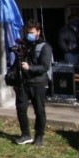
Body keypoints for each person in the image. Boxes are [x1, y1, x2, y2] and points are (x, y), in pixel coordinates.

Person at [12, 19, 53, 147]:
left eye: (32, 32)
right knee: (21, 108)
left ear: (38, 32)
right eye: (28, 31)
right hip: (23, 82)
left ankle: (39, 136)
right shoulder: (24, 45)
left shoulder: (45, 47)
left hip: (38, 83)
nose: (29, 34)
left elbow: (45, 66)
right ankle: (25, 135)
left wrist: (30, 68)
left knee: (39, 110)